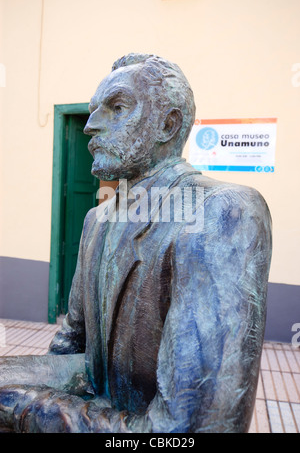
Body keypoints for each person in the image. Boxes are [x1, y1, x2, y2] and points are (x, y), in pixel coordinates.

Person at [0, 54, 272, 433]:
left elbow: (189, 429)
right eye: (94, 111)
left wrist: (23, 408)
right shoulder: (97, 221)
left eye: (116, 108)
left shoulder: (222, 213)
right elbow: (75, 356)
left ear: (167, 124)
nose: (90, 126)